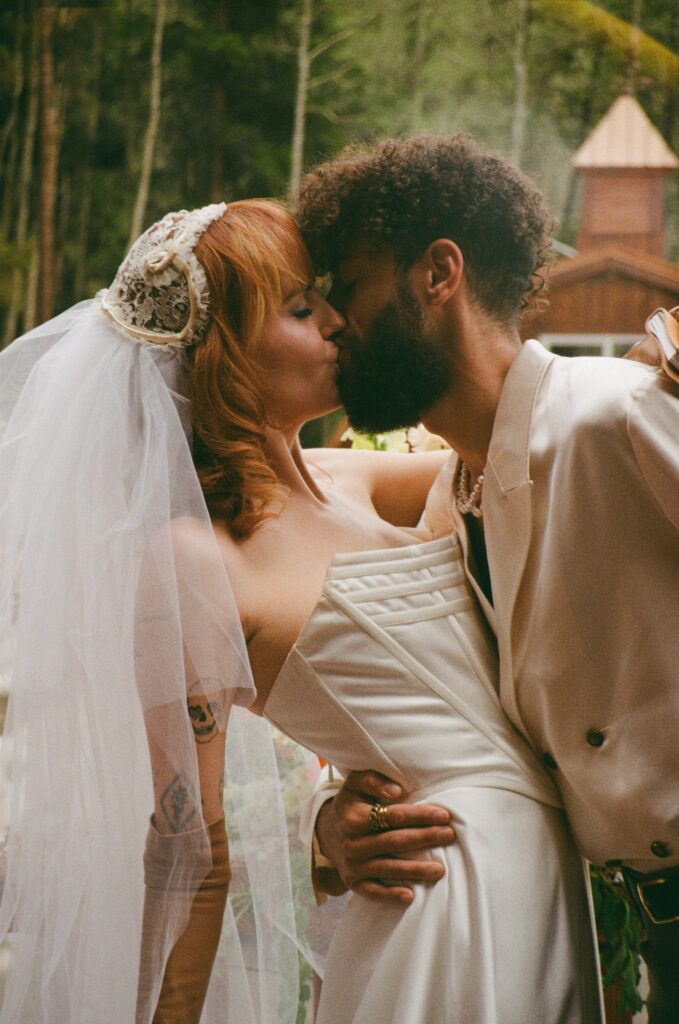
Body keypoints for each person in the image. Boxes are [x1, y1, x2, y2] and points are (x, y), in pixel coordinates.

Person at [0, 197, 602, 1024]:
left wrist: (651, 365)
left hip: (554, 874)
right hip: (446, 901)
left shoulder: (355, 479)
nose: (335, 321)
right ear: (222, 359)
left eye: (324, 295)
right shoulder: (194, 559)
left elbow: (534, 445)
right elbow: (188, 851)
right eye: (297, 307)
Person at [295, 133, 679, 1024]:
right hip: (626, 933)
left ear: (439, 272)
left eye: (345, 287)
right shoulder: (448, 497)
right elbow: (436, 709)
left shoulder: (611, 417)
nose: (331, 324)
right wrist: (334, 817)